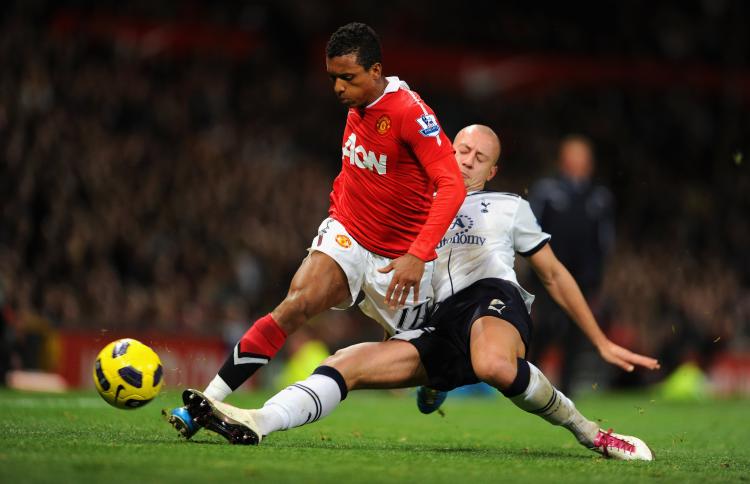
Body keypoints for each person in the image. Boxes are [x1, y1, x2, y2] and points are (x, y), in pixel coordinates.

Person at [178, 125, 660, 461]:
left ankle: (591, 433)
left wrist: (599, 339)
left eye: (480, 158)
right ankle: (258, 421)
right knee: (348, 362)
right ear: (448, 151)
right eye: (462, 151)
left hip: (492, 300)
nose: (468, 162)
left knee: (492, 363)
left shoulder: (510, 206)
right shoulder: (417, 204)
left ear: (493, 171)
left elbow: (553, 274)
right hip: (438, 322)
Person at [165, 22, 466, 438]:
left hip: (398, 260)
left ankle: (435, 387)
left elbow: (452, 185)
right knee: (296, 304)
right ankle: (207, 400)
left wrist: (418, 253)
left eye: (348, 78)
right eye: (333, 78)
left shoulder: (411, 113)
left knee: (421, 361)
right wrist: (339, 210)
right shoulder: (357, 106)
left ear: (376, 71)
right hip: (348, 233)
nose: (338, 88)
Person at [527, 135, 615, 395]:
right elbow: (530, 230)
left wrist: (598, 275)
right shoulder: (546, 191)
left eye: (584, 157)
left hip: (584, 277)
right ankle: (530, 380)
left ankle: (566, 391)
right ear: (563, 160)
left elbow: (605, 240)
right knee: (546, 325)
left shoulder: (599, 196)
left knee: (576, 333)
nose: (579, 162)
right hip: (548, 275)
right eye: (574, 156)